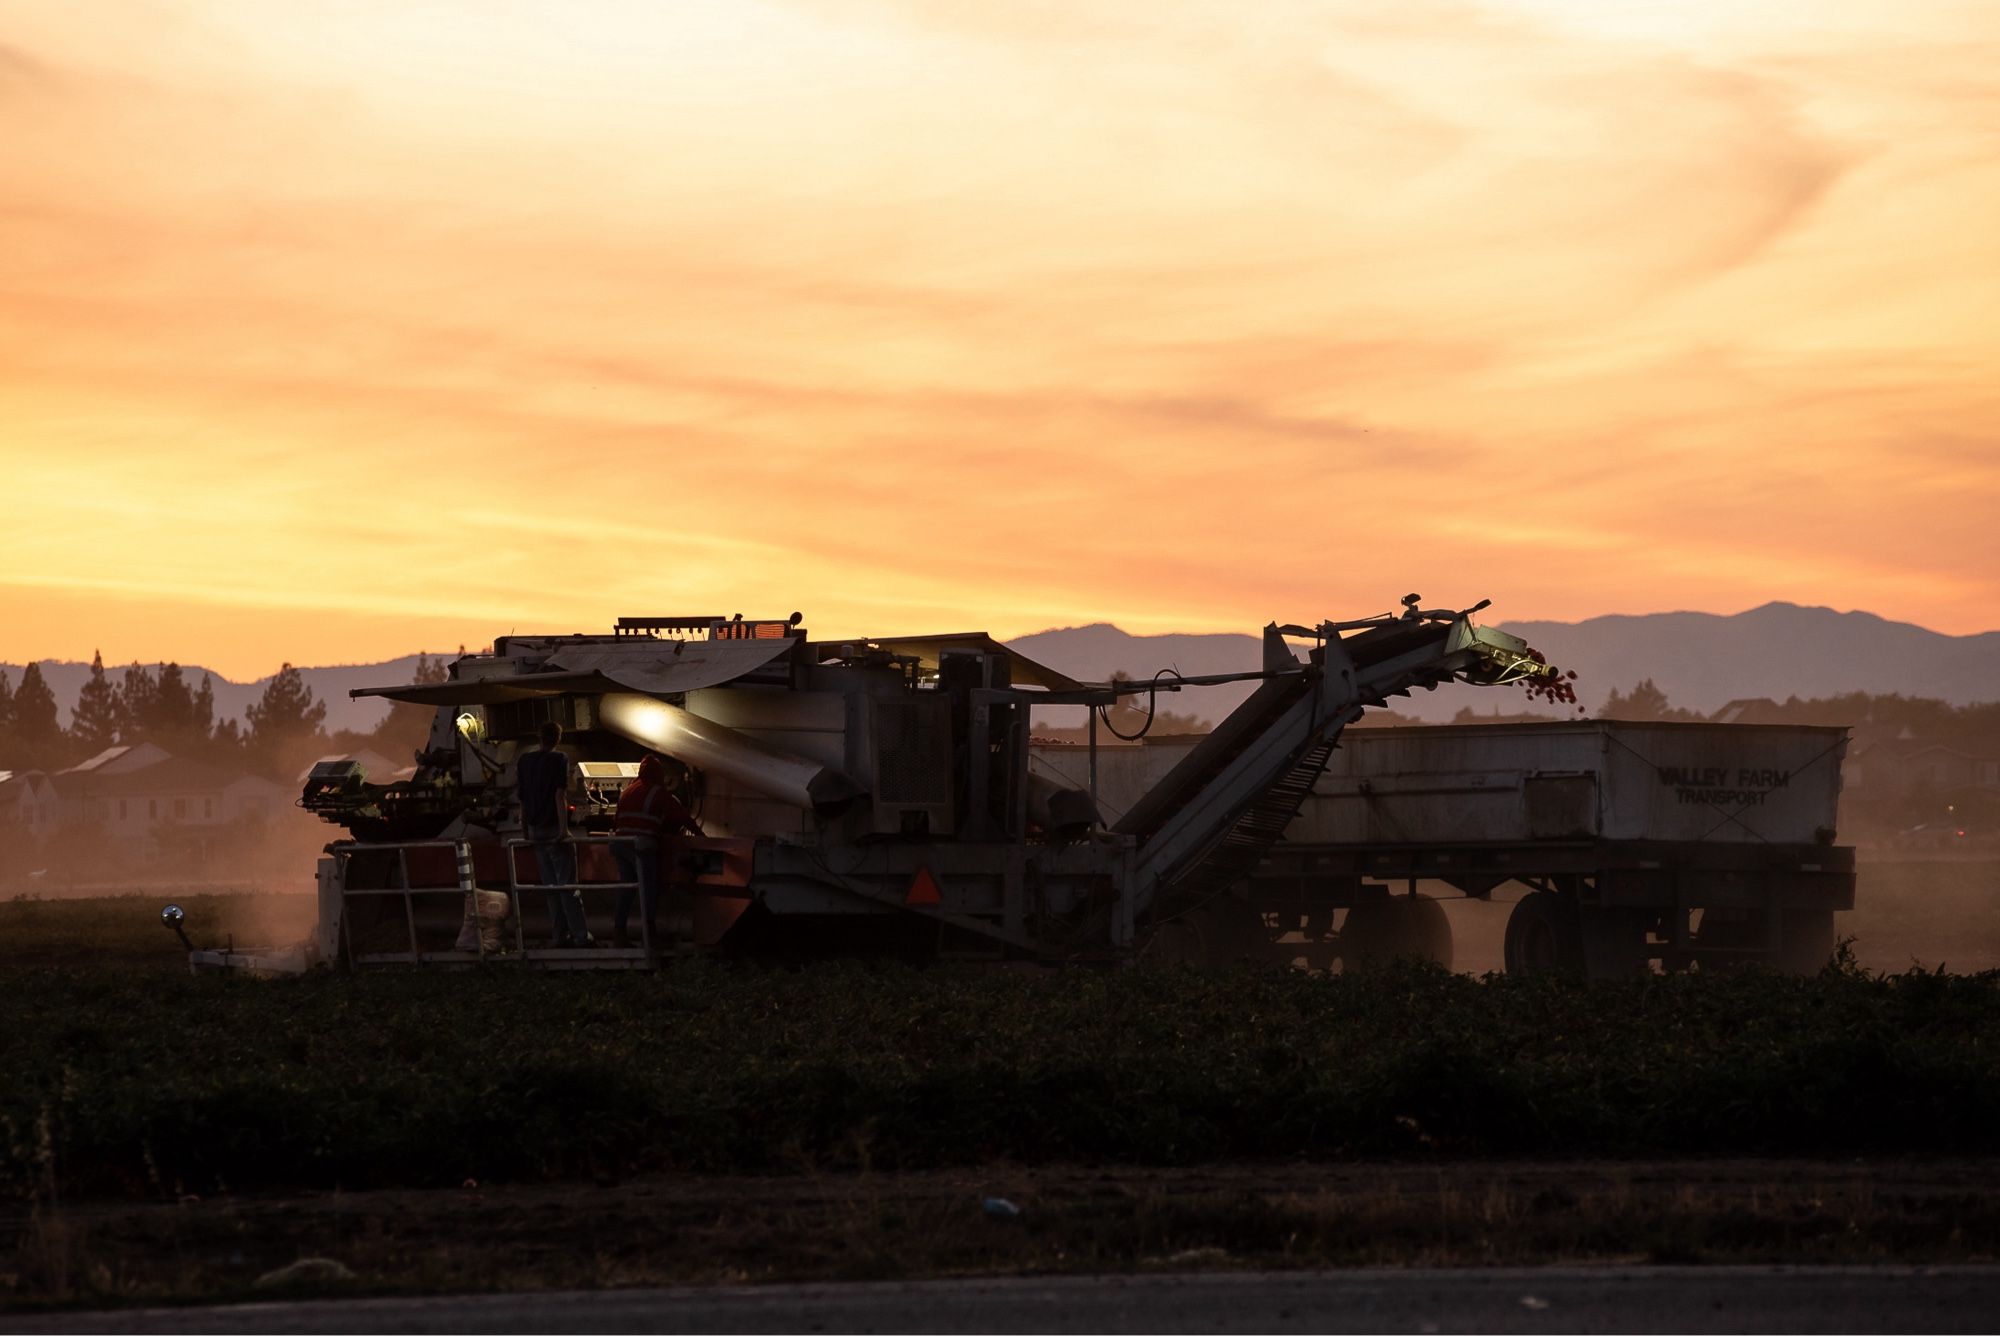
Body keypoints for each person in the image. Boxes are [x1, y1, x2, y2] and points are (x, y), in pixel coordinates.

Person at [612, 753, 703, 949]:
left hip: (620, 844)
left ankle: (619, 934)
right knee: (649, 888)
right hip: (641, 845)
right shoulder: (658, 792)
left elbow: (617, 820)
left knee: (627, 889)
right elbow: (681, 816)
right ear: (659, 774)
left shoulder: (628, 790)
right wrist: (701, 837)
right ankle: (649, 936)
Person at [516, 719, 591, 947]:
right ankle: (580, 936)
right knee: (568, 887)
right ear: (558, 739)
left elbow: (522, 799)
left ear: (539, 737)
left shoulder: (524, 761)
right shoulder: (559, 759)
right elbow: (560, 796)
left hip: (536, 831)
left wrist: (525, 830)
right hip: (552, 830)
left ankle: (559, 935)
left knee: (551, 888)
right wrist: (563, 830)